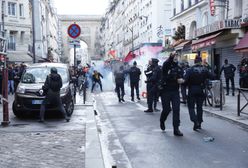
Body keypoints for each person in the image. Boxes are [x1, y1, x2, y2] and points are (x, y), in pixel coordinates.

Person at [184, 56, 215, 130]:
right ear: (201, 61)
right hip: (201, 90)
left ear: (194, 62)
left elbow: (185, 81)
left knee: (191, 107)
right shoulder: (205, 69)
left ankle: (195, 121)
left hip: (192, 90)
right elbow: (213, 77)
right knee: (199, 107)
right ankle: (199, 123)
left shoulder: (190, 70)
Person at [159, 53, 184, 136]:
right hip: (165, 91)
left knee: (176, 109)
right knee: (167, 109)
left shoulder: (179, 68)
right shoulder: (166, 65)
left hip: (175, 91)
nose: (176, 58)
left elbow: (182, 77)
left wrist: (181, 80)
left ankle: (176, 129)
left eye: (177, 56)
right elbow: (167, 64)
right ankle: (162, 120)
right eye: (175, 57)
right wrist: (171, 56)